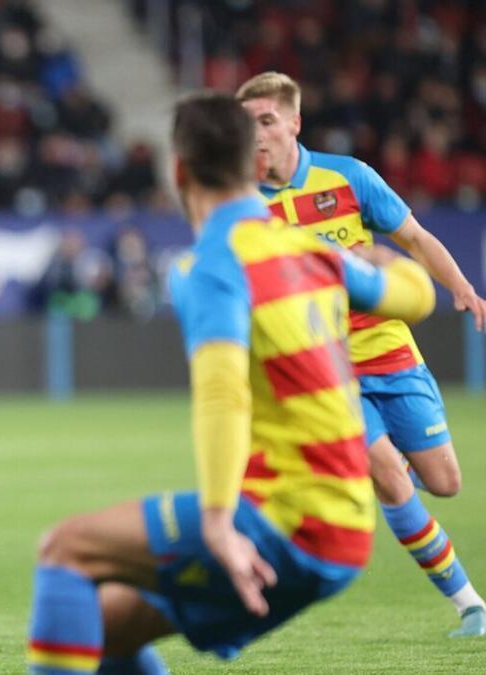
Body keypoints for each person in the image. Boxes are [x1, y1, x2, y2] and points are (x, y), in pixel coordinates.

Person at [27, 91, 436, 674]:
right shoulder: (313, 250)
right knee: (109, 626)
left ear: (178, 171)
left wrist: (218, 521)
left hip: (286, 519)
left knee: (64, 549)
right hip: (346, 525)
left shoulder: (210, 266)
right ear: (256, 164)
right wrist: (380, 259)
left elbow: (223, 392)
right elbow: (418, 296)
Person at [237, 71, 486, 637]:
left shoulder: (348, 178)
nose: (257, 134)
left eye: (268, 121)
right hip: (325, 371)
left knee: (444, 482)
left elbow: (416, 238)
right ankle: (471, 604)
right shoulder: (243, 208)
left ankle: (375, 466)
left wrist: (462, 288)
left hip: (390, 351)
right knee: (391, 480)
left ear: (294, 123)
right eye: (246, 124)